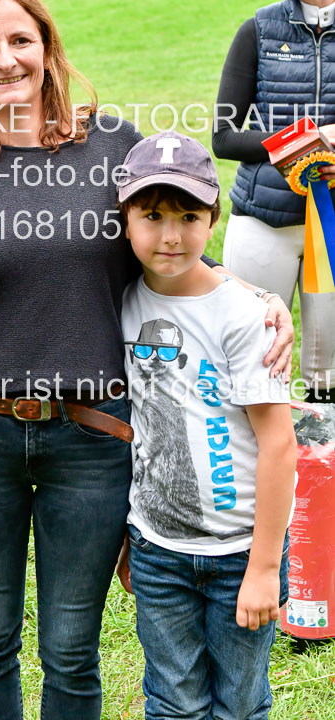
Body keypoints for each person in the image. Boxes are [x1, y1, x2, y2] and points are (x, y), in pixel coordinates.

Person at [0, 0, 293, 720]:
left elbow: (168, 243)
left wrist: (256, 296)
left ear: (48, 48)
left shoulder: (110, 145)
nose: (5, 59)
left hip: (92, 435)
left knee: (72, 648)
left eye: (21, 40)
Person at [116, 132, 296, 720]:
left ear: (214, 219)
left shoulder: (244, 317)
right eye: (153, 215)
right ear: (125, 220)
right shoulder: (120, 302)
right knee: (172, 699)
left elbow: (279, 445)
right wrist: (129, 540)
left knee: (240, 705)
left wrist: (265, 567)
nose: (170, 234)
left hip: (239, 551)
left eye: (188, 216)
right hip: (157, 547)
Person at [213, 0, 335, 402]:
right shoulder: (257, 30)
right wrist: (302, 143)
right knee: (250, 362)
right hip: (265, 218)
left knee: (329, 371)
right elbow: (222, 137)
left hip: (330, 225)